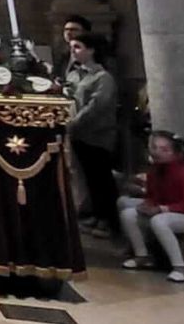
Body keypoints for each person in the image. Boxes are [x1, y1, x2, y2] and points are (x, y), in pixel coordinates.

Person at [120, 131, 184, 282]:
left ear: (176, 153)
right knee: (128, 214)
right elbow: (153, 195)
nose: (157, 152)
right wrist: (148, 204)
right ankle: (142, 256)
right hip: (170, 210)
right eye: (154, 147)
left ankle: (180, 267)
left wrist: (161, 209)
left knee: (159, 221)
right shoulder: (155, 171)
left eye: (164, 150)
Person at [69, 32, 120, 237]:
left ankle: (109, 220)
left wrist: (74, 122)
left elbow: (96, 106)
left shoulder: (103, 77)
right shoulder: (80, 74)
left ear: (91, 50)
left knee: (102, 179)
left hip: (98, 135)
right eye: (72, 47)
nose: (73, 51)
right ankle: (97, 215)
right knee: (91, 179)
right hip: (82, 135)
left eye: (78, 47)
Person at [53, 14, 92, 81]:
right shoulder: (63, 56)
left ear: (85, 32)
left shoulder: (93, 55)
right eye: (66, 30)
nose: (68, 33)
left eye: (73, 30)